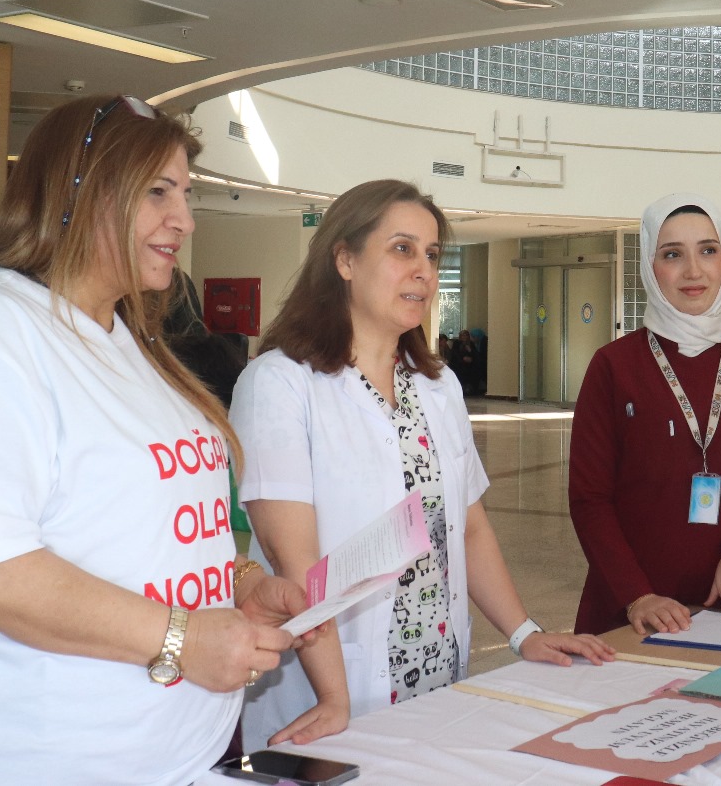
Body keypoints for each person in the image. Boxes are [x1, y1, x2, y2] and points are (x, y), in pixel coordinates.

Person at [0, 95, 310, 786]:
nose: (183, 220)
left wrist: (237, 583)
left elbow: (130, 521)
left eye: (186, 194)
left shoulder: (126, 340)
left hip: (164, 763)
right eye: (157, 192)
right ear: (77, 191)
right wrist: (181, 639)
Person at [233, 180, 614, 748]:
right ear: (343, 258)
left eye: (433, 255)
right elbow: (296, 562)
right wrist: (335, 696)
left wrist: (522, 633)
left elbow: (470, 526)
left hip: (438, 677)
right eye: (402, 249)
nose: (424, 272)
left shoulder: (437, 386)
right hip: (330, 690)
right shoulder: (280, 383)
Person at [569, 193, 721, 636]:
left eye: (708, 250)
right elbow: (590, 500)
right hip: (630, 604)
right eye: (672, 254)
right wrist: (636, 595)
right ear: (649, 264)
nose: (693, 270)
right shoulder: (614, 365)